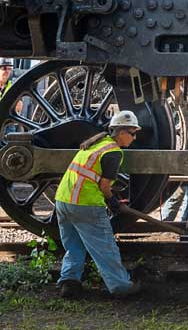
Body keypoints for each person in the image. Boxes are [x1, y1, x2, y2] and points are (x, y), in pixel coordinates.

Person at [53, 111, 144, 299]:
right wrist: (114, 203)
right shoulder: (113, 152)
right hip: (85, 204)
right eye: (132, 133)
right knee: (105, 247)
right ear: (120, 132)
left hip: (63, 201)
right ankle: (121, 286)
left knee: (74, 244)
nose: (134, 138)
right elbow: (104, 186)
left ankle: (69, 282)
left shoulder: (94, 144)